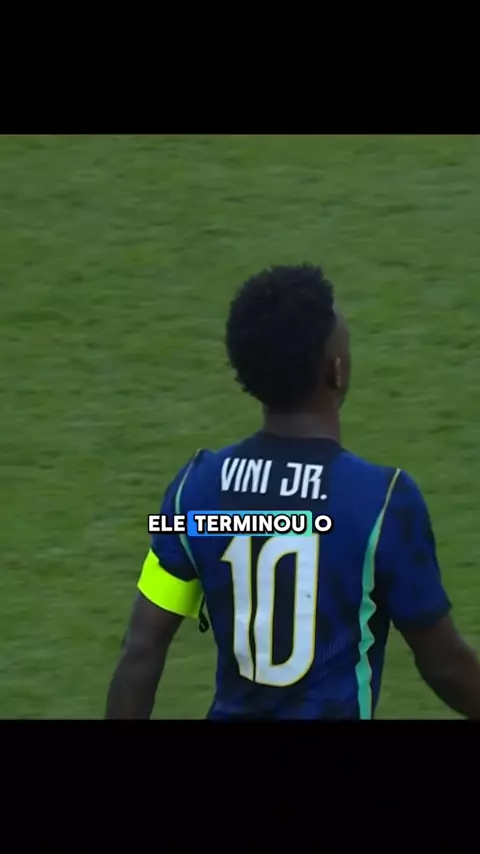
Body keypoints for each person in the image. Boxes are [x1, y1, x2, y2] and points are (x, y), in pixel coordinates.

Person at [106, 264, 480, 719]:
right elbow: (444, 663)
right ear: (336, 371)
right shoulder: (383, 502)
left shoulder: (193, 491)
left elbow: (141, 650)